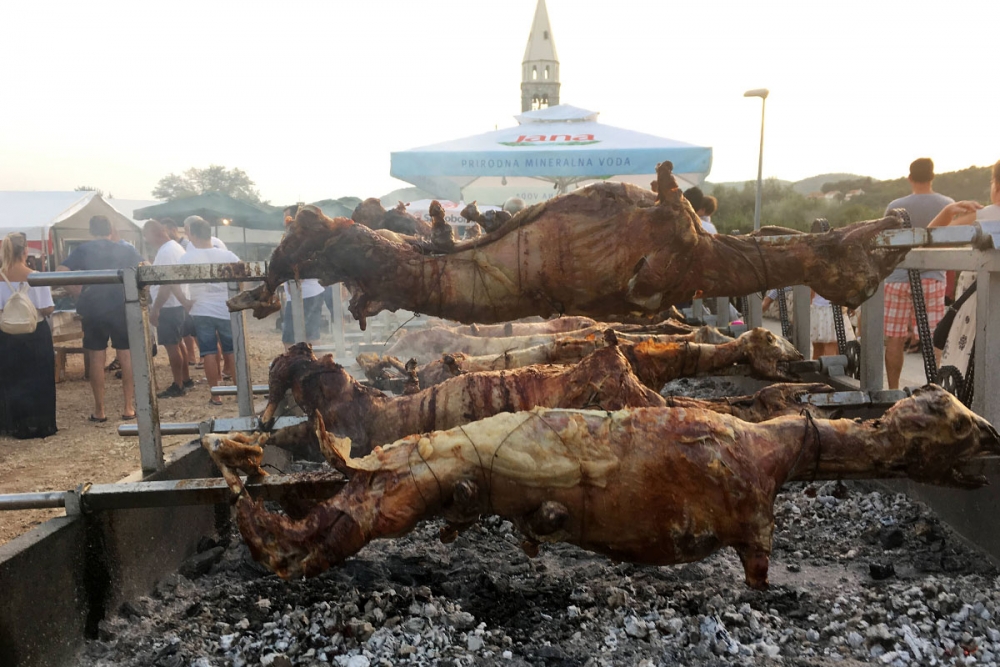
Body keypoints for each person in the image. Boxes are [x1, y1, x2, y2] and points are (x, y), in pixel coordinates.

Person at [58, 215, 142, 422]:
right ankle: (128, 407)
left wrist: (76, 291)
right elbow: (145, 267)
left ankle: (100, 410)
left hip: (94, 307)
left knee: (97, 357)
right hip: (123, 305)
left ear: (91, 230)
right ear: (110, 230)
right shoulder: (126, 249)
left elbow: (61, 271)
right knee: (126, 356)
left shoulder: (84, 249)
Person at [882, 158, 953, 389]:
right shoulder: (947, 204)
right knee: (934, 339)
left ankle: (893, 390)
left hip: (897, 278)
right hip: (932, 277)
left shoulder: (895, 206)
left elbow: (886, 243)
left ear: (910, 178)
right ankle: (933, 389)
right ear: (933, 176)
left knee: (895, 338)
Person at [928, 159, 1000, 381]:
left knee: (966, 378)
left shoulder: (985, 216)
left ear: (997, 185)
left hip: (977, 317)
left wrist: (948, 212)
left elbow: (930, 239)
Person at [179, 217, 241, 406]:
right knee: (232, 350)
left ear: (193, 235)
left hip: (201, 309)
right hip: (226, 308)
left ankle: (216, 395)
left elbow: (172, 282)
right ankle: (240, 392)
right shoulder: (227, 255)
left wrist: (184, 301)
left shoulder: (188, 257)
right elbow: (244, 273)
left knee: (208, 352)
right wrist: (237, 296)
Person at [0, 233, 57, 438]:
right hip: (35, 332)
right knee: (38, 377)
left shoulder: (1, 276)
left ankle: (16, 423)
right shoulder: (36, 277)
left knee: (12, 378)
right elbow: (48, 308)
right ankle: (40, 423)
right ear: (25, 251)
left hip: (7, 333)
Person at [144, 220, 194, 398]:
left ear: (154, 234)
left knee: (172, 347)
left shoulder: (167, 252)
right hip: (176, 305)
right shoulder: (174, 248)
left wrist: (156, 308)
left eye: (147, 236)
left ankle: (178, 384)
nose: (147, 240)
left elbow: (168, 284)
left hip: (169, 306)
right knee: (178, 343)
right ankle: (185, 379)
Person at [278, 205, 324, 349]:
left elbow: (299, 264)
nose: (285, 221)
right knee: (311, 336)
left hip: (304, 294)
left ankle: (297, 362)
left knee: (290, 339)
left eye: (287, 217)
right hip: (312, 292)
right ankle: (318, 363)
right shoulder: (310, 236)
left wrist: (294, 280)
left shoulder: (298, 237)